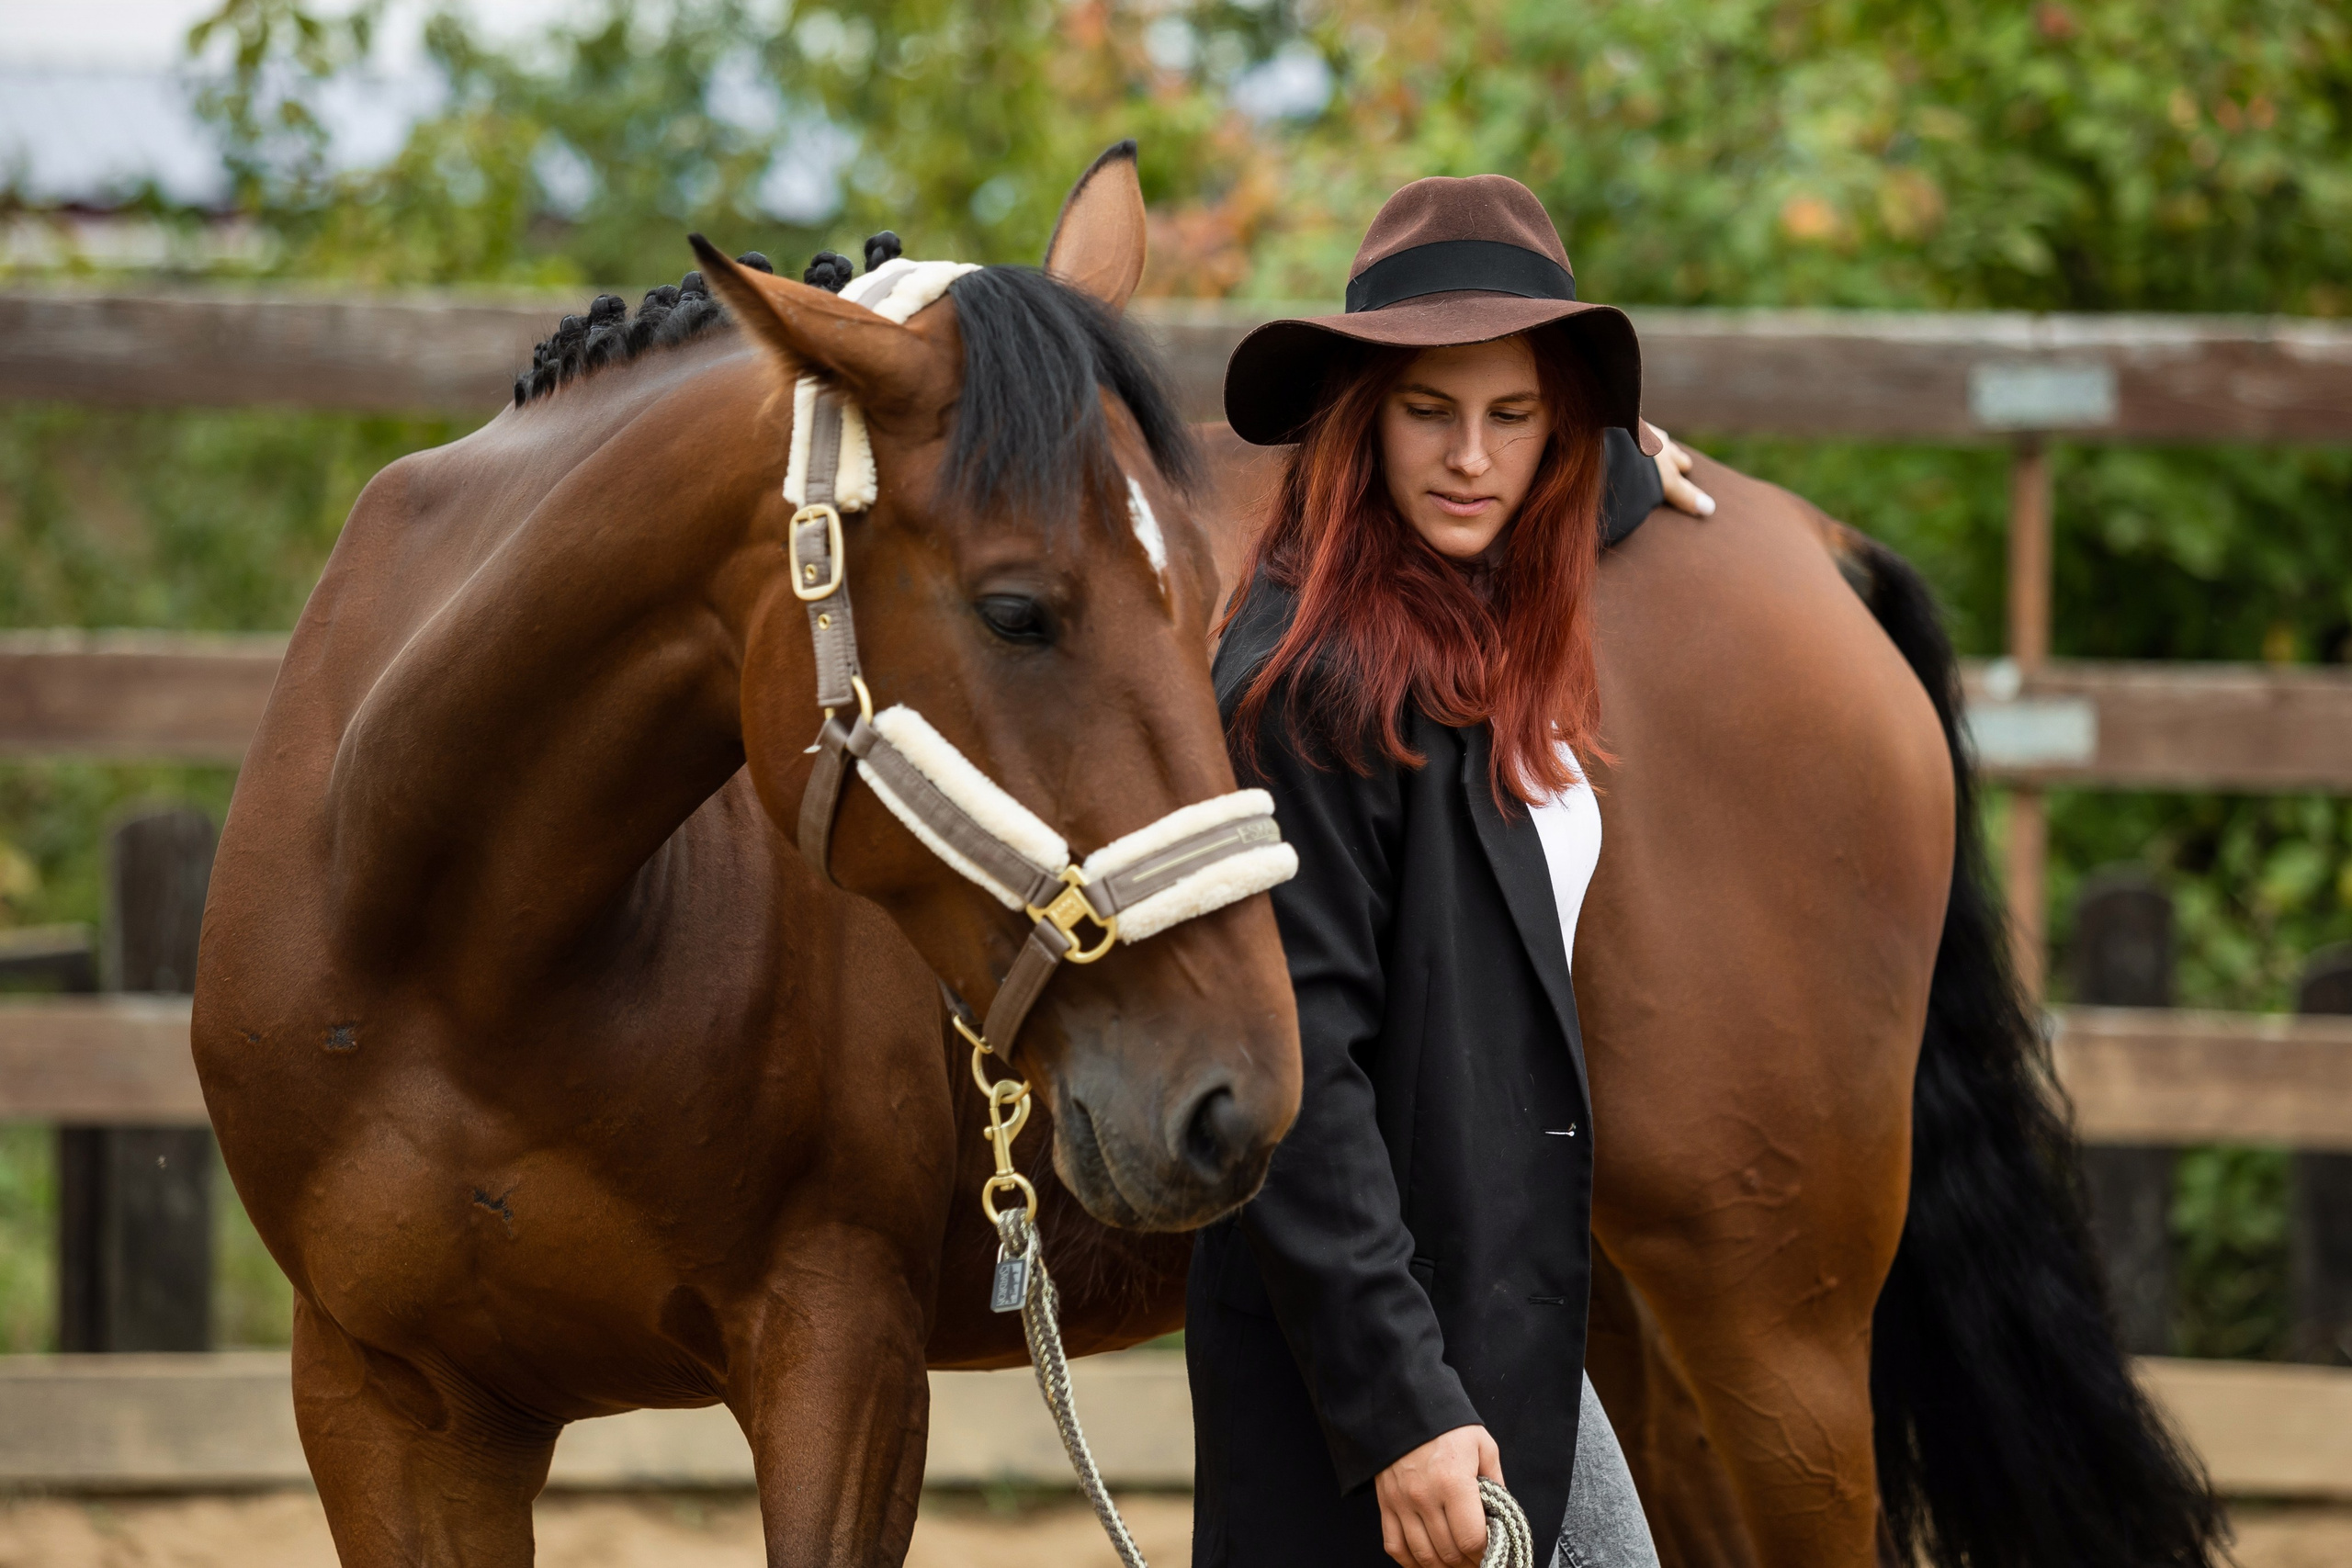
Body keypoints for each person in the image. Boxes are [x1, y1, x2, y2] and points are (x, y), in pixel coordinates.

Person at [1187, 175, 1708, 1568]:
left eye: (1514, 415)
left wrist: (1629, 461)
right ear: (1363, 419)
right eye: (1429, 411)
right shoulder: (1314, 687)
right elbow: (1303, 1077)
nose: (1471, 458)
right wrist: (1400, 1410)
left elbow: (1529, 496)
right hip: (1380, 1350)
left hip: (1512, 1313)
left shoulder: (1477, 588)